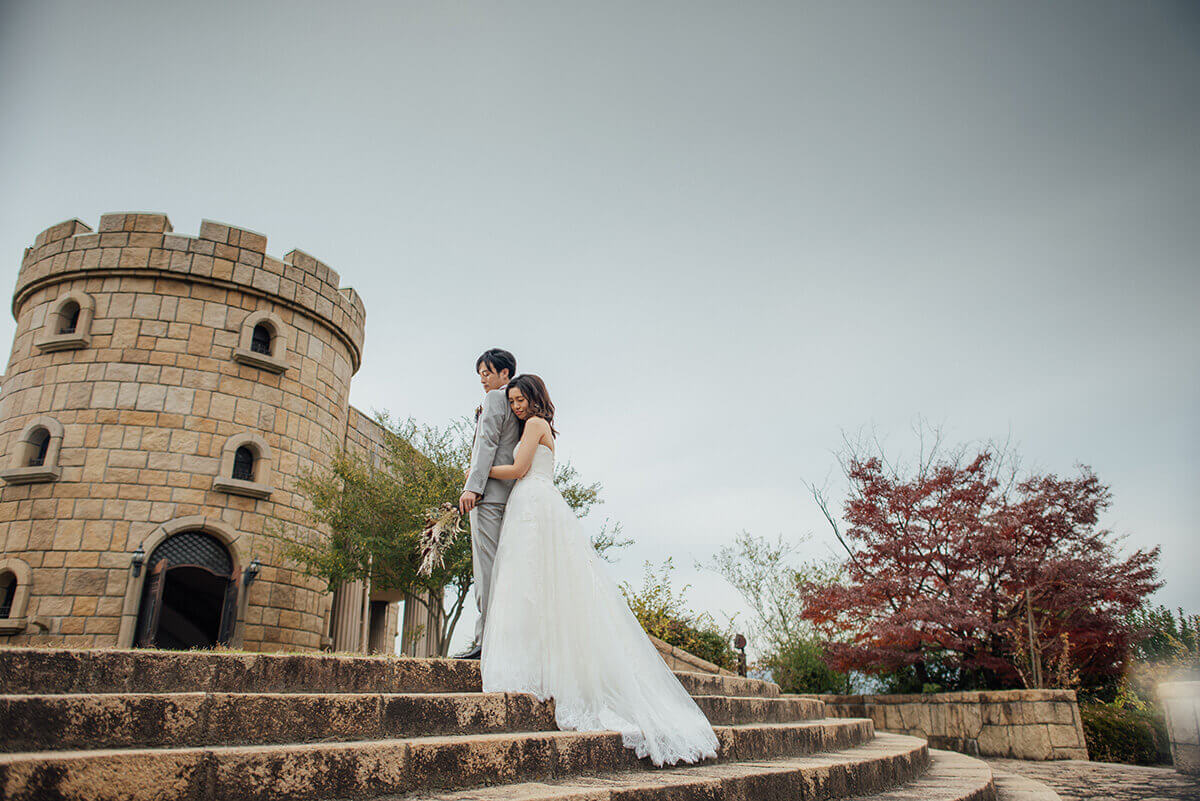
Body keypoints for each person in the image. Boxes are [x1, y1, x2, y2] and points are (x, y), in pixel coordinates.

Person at [481, 374, 719, 766]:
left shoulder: (536, 425)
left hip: (534, 504)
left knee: (532, 582)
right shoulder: (535, 427)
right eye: (512, 400)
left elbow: (520, 468)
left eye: (521, 398)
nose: (517, 406)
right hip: (536, 504)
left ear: (535, 398)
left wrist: (482, 470)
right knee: (531, 587)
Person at [456, 348, 521, 660]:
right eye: (479, 373)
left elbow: (488, 443)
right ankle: (501, 639)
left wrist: (473, 487)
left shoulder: (497, 398)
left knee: (486, 570)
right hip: (510, 495)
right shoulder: (520, 403)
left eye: (487, 372)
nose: (483, 379)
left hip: (489, 495)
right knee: (502, 568)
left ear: (505, 373)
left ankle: (486, 642)